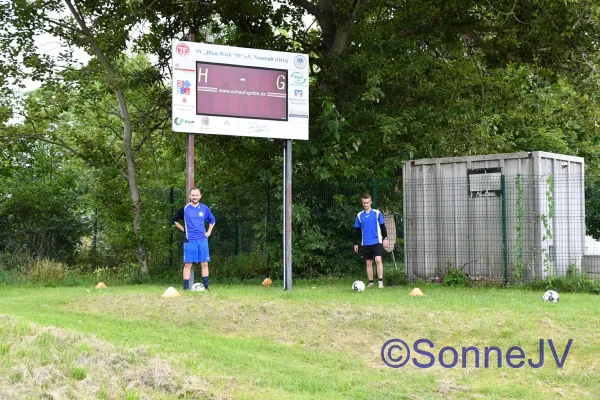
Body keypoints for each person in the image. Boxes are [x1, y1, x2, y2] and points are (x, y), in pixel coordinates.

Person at [171, 187, 215, 290]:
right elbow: (174, 220)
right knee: (188, 264)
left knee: (204, 263)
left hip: (202, 240)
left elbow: (212, 220)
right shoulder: (185, 209)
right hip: (190, 240)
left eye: (197, 195)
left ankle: (206, 287)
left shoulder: (205, 208)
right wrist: (183, 230)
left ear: (200, 196)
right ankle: (185, 288)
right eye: (193, 195)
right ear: (190, 196)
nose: (195, 197)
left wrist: (208, 232)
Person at [353, 193, 388, 288]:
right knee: (368, 262)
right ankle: (371, 283)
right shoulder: (359, 215)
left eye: (367, 202)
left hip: (376, 241)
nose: (365, 204)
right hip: (365, 243)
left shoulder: (377, 213)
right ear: (362, 203)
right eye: (364, 203)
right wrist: (355, 243)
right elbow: (356, 230)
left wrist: (385, 238)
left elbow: (383, 227)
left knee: (378, 260)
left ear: (371, 202)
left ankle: (380, 282)